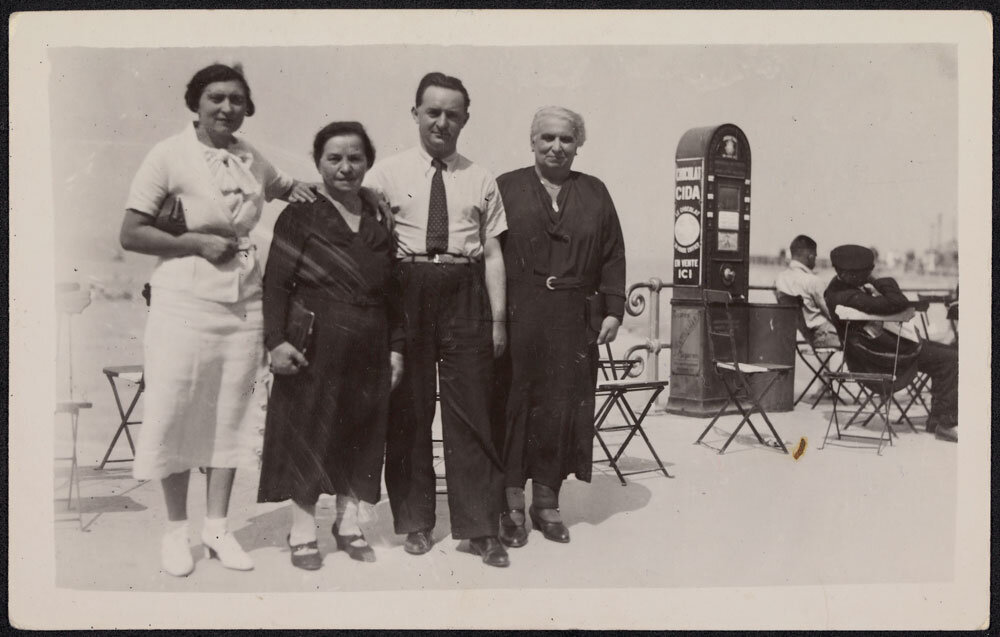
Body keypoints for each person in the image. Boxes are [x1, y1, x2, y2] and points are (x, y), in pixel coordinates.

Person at [119, 63, 317, 577]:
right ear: (196, 103)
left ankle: (218, 529)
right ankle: (176, 532)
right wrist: (194, 242)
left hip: (244, 303)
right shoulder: (168, 155)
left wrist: (356, 195)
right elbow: (131, 232)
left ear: (246, 106)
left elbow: (287, 187)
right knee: (174, 409)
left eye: (235, 99)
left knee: (232, 413)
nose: (226, 108)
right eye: (214, 98)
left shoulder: (250, 157)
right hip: (183, 302)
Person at [363, 72, 510, 567]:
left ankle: (480, 527)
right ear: (416, 114)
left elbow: (491, 252)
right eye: (433, 112)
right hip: (407, 289)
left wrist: (498, 320)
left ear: (465, 119)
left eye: (452, 113)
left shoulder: (481, 177)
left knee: (473, 410)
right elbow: (370, 248)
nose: (441, 122)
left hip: (464, 289)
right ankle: (415, 522)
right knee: (409, 408)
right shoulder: (383, 175)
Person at [257, 122, 404, 570]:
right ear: (318, 162)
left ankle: (347, 525)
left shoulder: (379, 217)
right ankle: (303, 531)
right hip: (313, 342)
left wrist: (396, 347)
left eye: (355, 158)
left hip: (371, 340)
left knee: (360, 432)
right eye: (334, 158)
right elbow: (276, 283)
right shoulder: (299, 214)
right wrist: (276, 342)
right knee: (308, 432)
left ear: (368, 163)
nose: (345, 167)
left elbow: (393, 291)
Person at [493, 106, 625, 548]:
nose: (556, 147)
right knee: (514, 404)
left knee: (560, 406)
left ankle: (546, 501)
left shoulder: (595, 192)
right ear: (531, 141)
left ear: (578, 144)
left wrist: (613, 309)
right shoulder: (505, 187)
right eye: (547, 138)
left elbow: (612, 254)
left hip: (573, 317)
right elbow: (486, 253)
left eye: (566, 139)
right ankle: (510, 502)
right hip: (518, 314)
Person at [824, 244, 958, 442]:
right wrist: (876, 280)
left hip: (872, 352)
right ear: (848, 274)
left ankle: (937, 420)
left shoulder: (839, 289)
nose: (868, 274)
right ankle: (945, 423)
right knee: (952, 358)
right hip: (880, 359)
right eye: (865, 272)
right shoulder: (847, 296)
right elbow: (898, 302)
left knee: (945, 356)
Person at [774, 234, 840, 349]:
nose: (815, 260)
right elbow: (831, 314)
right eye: (815, 256)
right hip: (825, 335)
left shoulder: (779, 279)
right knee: (865, 340)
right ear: (810, 256)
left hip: (807, 335)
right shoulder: (813, 281)